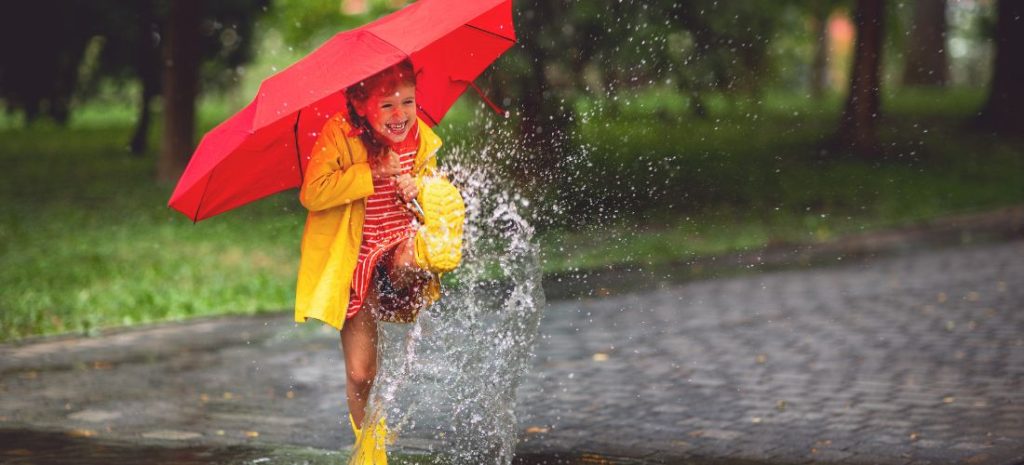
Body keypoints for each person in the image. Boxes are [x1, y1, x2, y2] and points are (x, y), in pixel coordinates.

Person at [294, 59, 463, 464]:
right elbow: (312, 194)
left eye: (408, 101)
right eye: (387, 105)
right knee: (361, 373)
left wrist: (417, 189)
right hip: (357, 266)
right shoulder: (339, 134)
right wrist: (370, 171)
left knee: (409, 254)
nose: (400, 114)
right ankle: (370, 454)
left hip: (398, 253)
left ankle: (430, 255)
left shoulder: (420, 139)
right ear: (360, 102)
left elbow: (430, 196)